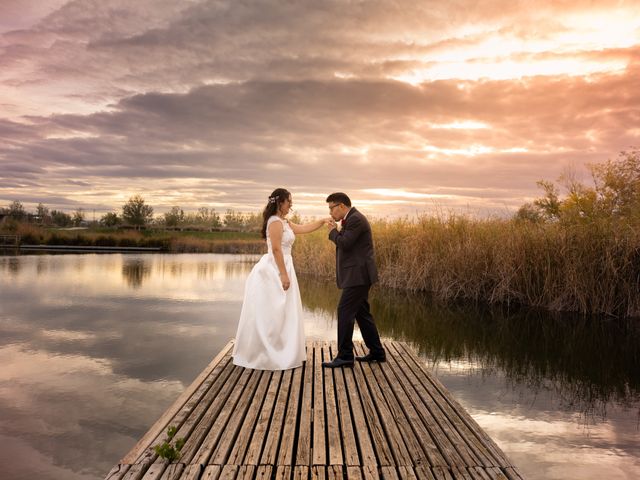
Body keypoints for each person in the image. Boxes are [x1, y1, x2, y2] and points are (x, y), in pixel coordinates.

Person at [233, 188, 331, 370]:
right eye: (289, 202)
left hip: (284, 265)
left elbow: (303, 228)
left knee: (282, 311)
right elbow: (276, 249)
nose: (291, 205)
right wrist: (283, 274)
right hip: (274, 269)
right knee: (272, 312)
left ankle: (280, 349)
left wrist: (323, 221)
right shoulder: (275, 222)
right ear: (280, 203)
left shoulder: (284, 222)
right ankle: (266, 353)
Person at [322, 192, 386, 368]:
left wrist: (332, 232)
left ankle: (345, 356)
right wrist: (337, 230)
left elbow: (345, 243)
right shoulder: (352, 219)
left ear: (341, 206)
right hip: (359, 275)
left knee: (344, 312)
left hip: (358, 276)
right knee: (362, 314)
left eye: (331, 208)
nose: (330, 213)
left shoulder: (356, 219)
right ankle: (377, 352)